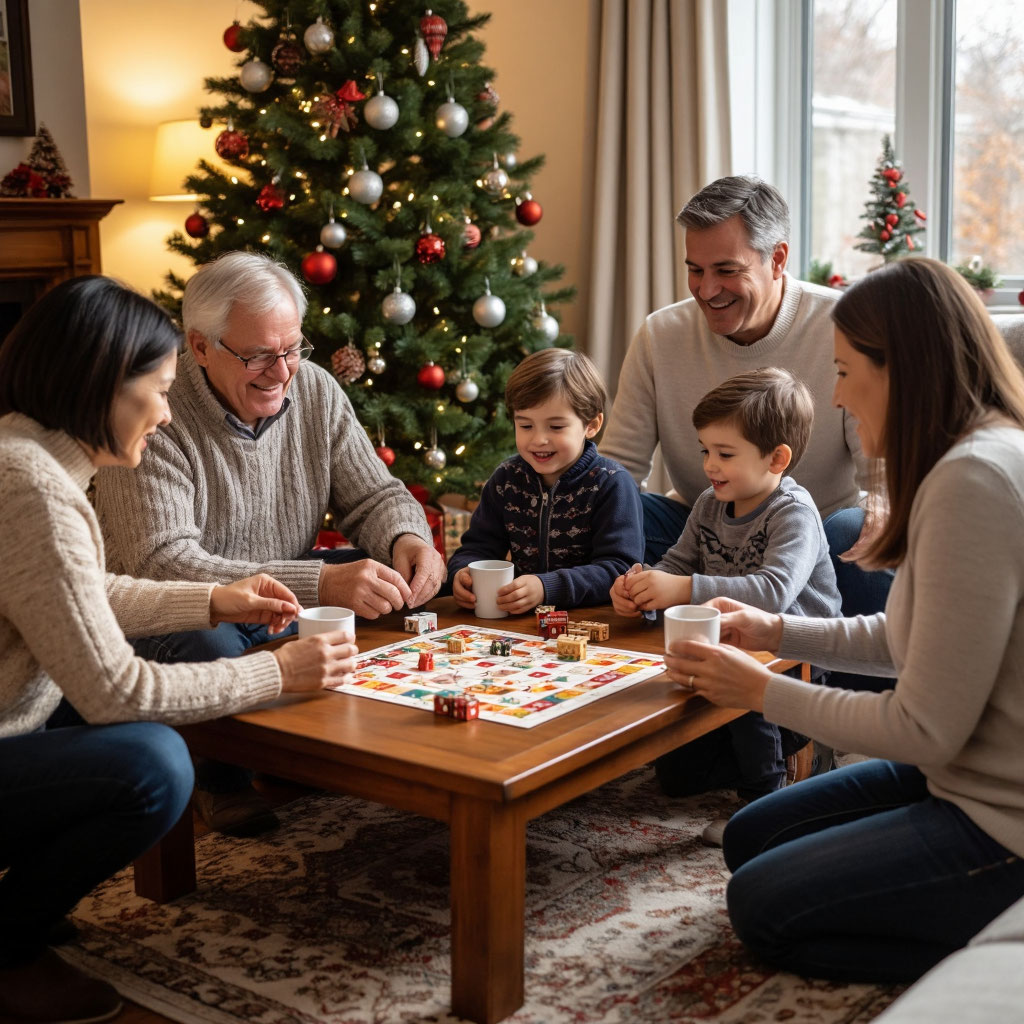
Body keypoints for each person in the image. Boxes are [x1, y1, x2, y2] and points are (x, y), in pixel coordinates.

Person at [0, 276, 358, 1024]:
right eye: (158, 392)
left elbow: (82, 590)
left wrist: (214, 598)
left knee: (134, 734)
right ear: (101, 385)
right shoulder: (31, 488)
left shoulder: (27, 455)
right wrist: (274, 671)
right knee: (155, 765)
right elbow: (116, 693)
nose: (166, 413)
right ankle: (7, 947)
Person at [663, 258, 1024, 982]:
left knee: (760, 908)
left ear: (902, 372)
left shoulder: (974, 482)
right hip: (954, 773)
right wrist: (772, 631)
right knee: (750, 839)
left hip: (1001, 818)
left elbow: (920, 728)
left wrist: (760, 690)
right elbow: (904, 638)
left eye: (844, 370)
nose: (835, 395)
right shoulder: (968, 458)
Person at [94, 251, 443, 837]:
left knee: (383, 582)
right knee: (210, 636)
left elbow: (375, 495)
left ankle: (323, 748)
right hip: (174, 611)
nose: (281, 372)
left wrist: (406, 537)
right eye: (257, 355)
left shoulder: (317, 391)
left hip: (280, 593)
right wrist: (321, 581)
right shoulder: (154, 412)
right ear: (201, 346)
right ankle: (220, 776)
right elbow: (163, 563)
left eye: (292, 349)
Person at [599, 176, 889, 661]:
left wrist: (884, 504)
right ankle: (634, 660)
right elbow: (618, 469)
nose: (707, 289)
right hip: (708, 525)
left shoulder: (844, 325)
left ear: (777, 259)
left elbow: (881, 471)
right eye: (695, 270)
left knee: (861, 533)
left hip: (815, 532)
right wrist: (631, 576)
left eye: (726, 270)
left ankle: (842, 690)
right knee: (613, 507)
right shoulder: (660, 335)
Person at [610, 368, 840, 842]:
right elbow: (677, 563)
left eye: (725, 454)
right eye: (705, 451)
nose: (709, 465)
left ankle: (767, 798)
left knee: (742, 686)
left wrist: (681, 589)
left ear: (777, 458)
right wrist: (643, 587)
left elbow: (773, 592)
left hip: (793, 658)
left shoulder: (794, 513)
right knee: (678, 779)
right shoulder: (710, 504)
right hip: (728, 639)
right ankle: (776, 755)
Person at [447, 347, 643, 612]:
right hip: (523, 621)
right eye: (526, 426)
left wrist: (547, 587)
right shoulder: (506, 480)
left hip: (594, 619)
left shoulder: (611, 483)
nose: (538, 439)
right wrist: (463, 573)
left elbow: (619, 569)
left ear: (591, 425)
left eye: (556, 427)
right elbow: (478, 548)